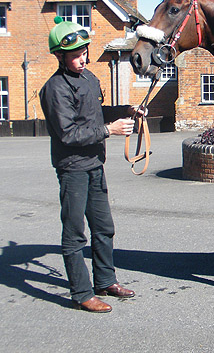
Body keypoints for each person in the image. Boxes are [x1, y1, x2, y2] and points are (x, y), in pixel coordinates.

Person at [40, 16, 142, 313]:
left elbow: (98, 113)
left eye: (84, 53)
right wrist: (110, 130)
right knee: (74, 233)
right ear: (60, 56)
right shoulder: (55, 89)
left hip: (95, 164)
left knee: (103, 227)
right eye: (75, 56)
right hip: (72, 168)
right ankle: (81, 293)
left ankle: (105, 281)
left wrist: (126, 110)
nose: (83, 59)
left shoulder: (90, 79)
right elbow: (69, 134)